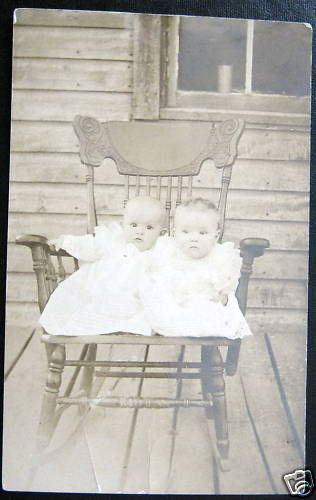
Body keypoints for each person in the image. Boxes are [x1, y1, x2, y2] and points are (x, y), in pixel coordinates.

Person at [39, 196, 165, 336]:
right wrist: (66, 242)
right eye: (133, 225)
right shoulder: (113, 240)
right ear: (124, 224)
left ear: (161, 231)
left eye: (149, 227)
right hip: (103, 296)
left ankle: (136, 325)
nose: (140, 231)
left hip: (137, 303)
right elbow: (89, 245)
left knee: (151, 309)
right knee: (81, 305)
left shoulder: (160, 251)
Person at [140, 198, 252, 338]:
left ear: (216, 236)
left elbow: (227, 281)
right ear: (175, 233)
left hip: (203, 306)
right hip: (172, 306)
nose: (194, 238)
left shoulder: (219, 256)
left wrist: (224, 294)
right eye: (186, 232)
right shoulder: (168, 251)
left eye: (202, 233)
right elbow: (154, 276)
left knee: (214, 311)